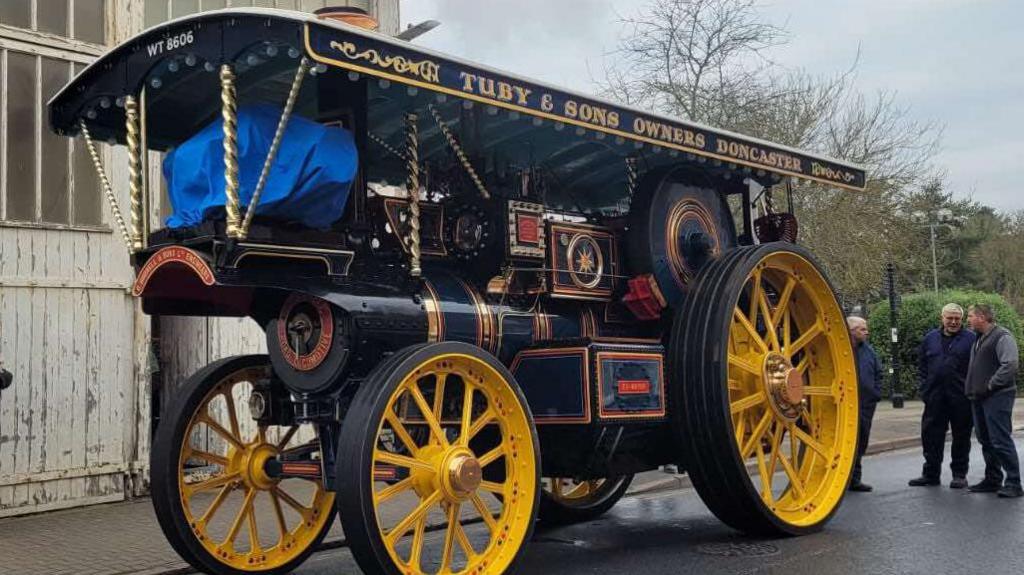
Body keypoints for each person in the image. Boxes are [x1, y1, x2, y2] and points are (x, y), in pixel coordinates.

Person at [909, 303, 976, 488]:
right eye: (949, 318)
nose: (953, 322)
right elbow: (922, 365)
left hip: (961, 397)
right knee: (931, 437)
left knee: (961, 437)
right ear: (942, 318)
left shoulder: (971, 339)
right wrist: (924, 388)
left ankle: (959, 475)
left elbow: (976, 367)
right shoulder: (930, 338)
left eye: (957, 318)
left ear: (961, 320)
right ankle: (931, 474)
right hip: (934, 397)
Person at [964, 303, 1022, 498]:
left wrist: (990, 385)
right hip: (979, 397)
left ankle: (1014, 483)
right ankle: (993, 479)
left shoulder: (1002, 336)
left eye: (971, 316)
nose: (968, 320)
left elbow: (1010, 364)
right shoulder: (979, 338)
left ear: (982, 317)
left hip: (997, 396)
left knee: (1000, 439)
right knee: (985, 439)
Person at [848, 316, 882, 492]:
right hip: (846, 404)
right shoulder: (843, 350)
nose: (866, 332)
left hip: (866, 404)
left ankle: (855, 478)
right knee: (847, 441)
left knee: (861, 440)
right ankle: (844, 479)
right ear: (852, 331)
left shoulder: (869, 351)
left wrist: (875, 393)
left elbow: (878, 372)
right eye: (862, 329)